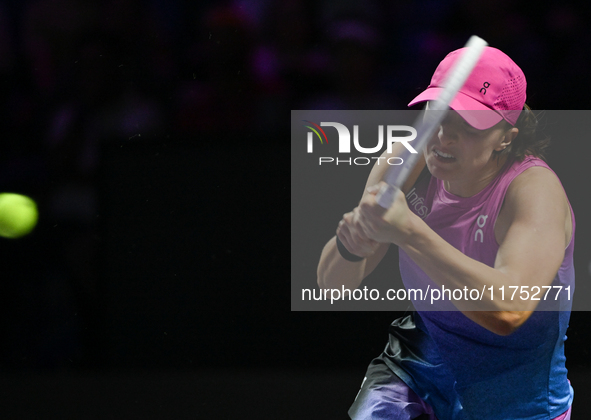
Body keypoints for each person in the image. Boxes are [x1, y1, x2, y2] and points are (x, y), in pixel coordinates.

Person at [317, 46, 574, 420]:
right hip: (420, 364)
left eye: (469, 124)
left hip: (517, 394)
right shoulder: (402, 166)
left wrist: (411, 233)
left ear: (506, 137)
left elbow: (508, 310)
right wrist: (351, 242)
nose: (444, 135)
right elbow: (333, 286)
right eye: (439, 113)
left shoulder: (534, 192)